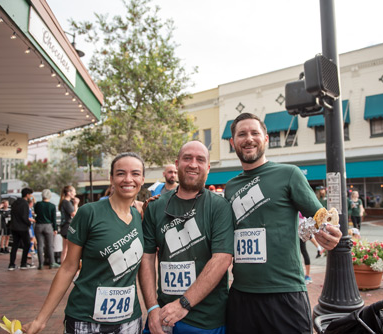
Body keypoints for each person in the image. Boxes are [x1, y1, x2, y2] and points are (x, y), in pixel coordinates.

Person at [225, 113, 342, 334]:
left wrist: (330, 232)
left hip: (285, 292)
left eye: (254, 133)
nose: (248, 138)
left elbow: (321, 218)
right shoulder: (230, 187)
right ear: (233, 143)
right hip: (241, 294)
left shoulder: (289, 174)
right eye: (241, 134)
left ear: (266, 139)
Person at [23, 152, 146, 334]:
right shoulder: (89, 213)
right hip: (85, 319)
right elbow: (68, 267)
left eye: (135, 173)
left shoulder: (141, 215)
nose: (128, 179)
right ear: (111, 178)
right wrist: (40, 320)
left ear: (143, 179)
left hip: (129, 321)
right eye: (121, 173)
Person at [139, 141, 234, 334]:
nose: (193, 164)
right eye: (187, 158)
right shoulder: (156, 207)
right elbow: (147, 258)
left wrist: (183, 304)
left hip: (207, 321)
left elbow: (222, 258)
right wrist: (151, 308)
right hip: (163, 318)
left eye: (200, 160)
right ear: (177, 163)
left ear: (208, 168)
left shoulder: (219, 206)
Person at [9, 187, 34, 270]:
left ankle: (11, 264)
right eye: (30, 195)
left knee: (15, 245)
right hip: (23, 228)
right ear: (27, 195)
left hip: (14, 227)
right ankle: (23, 263)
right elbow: (24, 217)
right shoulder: (25, 204)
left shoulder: (15, 202)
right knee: (27, 244)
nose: (30, 196)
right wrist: (29, 223)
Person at [34, 189, 60, 270]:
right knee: (50, 245)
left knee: (40, 245)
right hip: (48, 226)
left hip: (38, 226)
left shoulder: (38, 204)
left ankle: (41, 263)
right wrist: (55, 228)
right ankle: (52, 262)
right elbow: (54, 219)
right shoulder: (52, 206)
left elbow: (35, 212)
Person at [59, 185, 79, 264]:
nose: (75, 193)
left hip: (65, 227)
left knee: (65, 249)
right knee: (69, 250)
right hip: (68, 227)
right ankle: (66, 268)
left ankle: (63, 267)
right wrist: (76, 204)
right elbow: (75, 214)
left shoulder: (64, 202)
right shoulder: (66, 202)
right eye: (74, 192)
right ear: (69, 193)